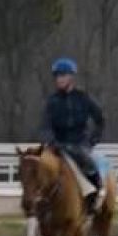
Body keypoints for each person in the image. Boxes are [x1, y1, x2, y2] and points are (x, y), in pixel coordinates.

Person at [38, 57, 108, 212]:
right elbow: (44, 126)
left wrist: (92, 141)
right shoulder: (52, 101)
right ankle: (39, 201)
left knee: (89, 164)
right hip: (58, 144)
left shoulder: (83, 98)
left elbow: (100, 120)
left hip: (79, 143)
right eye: (57, 76)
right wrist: (50, 141)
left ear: (71, 77)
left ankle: (96, 193)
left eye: (62, 75)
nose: (59, 79)